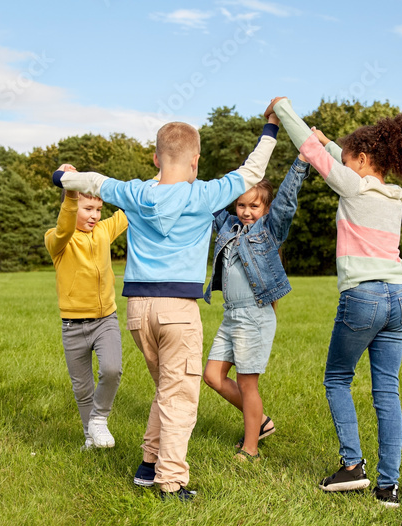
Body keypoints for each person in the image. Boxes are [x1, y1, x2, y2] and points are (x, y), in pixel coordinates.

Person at [51, 115, 279, 501]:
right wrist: (270, 128)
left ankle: (147, 465)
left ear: (157, 158)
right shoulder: (203, 193)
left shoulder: (136, 193)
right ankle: (171, 482)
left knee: (165, 388)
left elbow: (90, 180)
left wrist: (62, 177)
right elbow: (253, 169)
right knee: (179, 397)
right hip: (177, 309)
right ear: (195, 160)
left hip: (138, 311)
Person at [268, 96, 402, 508]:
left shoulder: (352, 185)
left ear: (360, 159)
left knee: (337, 378)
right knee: (386, 391)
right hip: (399, 298)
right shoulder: (392, 195)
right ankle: (388, 488)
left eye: (349, 158)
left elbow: (310, 149)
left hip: (364, 296)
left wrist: (283, 108)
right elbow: (339, 156)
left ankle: (352, 467)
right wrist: (330, 143)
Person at [202, 156, 310, 461]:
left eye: (254, 206)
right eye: (241, 205)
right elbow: (208, 202)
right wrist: (185, 174)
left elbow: (287, 200)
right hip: (230, 315)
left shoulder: (269, 229)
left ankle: (251, 449)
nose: (247, 211)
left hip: (254, 314)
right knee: (212, 376)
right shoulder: (228, 226)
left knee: (246, 383)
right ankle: (260, 421)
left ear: (265, 209)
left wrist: (300, 163)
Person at [44, 184, 128, 449]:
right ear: (70, 208)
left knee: (112, 370)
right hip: (72, 327)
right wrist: (70, 192)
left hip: (105, 321)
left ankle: (99, 419)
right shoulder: (58, 240)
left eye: (99, 209)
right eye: (87, 208)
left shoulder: (103, 231)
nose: (94, 215)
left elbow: (132, 207)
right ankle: (89, 438)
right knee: (82, 389)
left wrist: (165, 174)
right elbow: (65, 226)